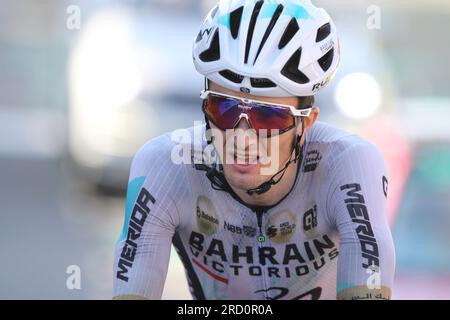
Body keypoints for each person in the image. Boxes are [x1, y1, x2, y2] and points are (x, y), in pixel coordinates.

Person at [113, 0, 395, 300]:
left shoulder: (348, 165)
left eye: (267, 116)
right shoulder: (165, 166)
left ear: (306, 124)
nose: (241, 138)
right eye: (224, 109)